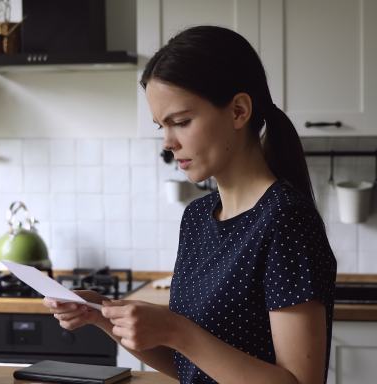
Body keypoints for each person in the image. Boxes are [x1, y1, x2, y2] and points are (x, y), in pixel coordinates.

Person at [44, 25, 337, 384]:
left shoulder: (285, 220)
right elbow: (191, 366)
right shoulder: (197, 217)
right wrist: (102, 314)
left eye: (181, 122)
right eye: (160, 126)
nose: (168, 142)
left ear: (238, 111)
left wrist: (177, 330)